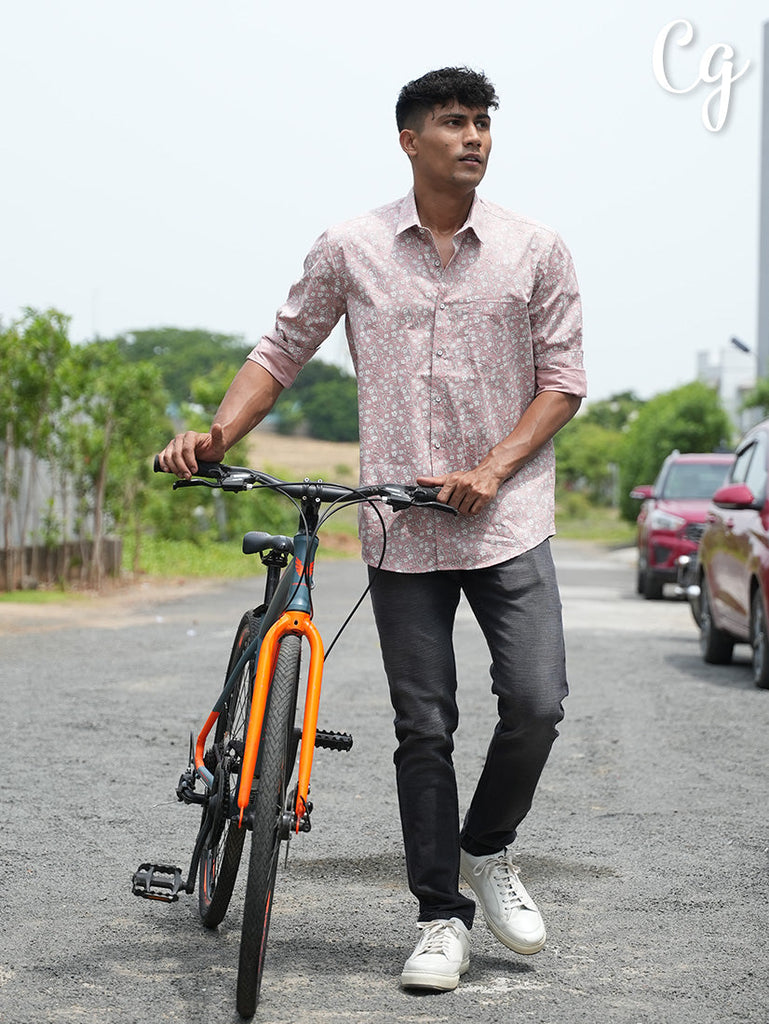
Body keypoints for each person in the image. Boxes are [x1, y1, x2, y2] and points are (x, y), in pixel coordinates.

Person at [158, 66, 586, 993]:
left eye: (481, 123)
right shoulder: (351, 247)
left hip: (504, 516)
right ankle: (439, 917)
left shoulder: (536, 248)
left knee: (538, 702)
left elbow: (562, 382)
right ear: (409, 140)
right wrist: (217, 433)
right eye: (452, 122)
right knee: (422, 725)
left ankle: (488, 846)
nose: (472, 137)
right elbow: (281, 350)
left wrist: (490, 468)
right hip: (399, 528)